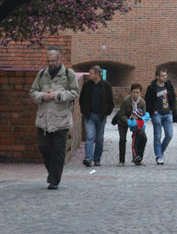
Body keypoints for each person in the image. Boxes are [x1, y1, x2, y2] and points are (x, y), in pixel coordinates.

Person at [29, 49, 79, 189]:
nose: (51, 64)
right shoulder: (42, 74)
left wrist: (57, 95)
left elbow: (74, 92)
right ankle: (53, 173)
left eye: (53, 61)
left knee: (58, 151)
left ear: (59, 60)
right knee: (44, 148)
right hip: (43, 120)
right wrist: (42, 96)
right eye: (49, 61)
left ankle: (54, 180)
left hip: (61, 120)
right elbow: (33, 91)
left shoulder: (69, 74)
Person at [78, 65, 114, 167]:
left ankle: (97, 159)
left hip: (101, 116)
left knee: (99, 139)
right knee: (89, 137)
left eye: (91, 73)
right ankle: (88, 158)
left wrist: (107, 112)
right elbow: (82, 99)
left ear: (98, 74)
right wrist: (84, 111)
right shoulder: (87, 85)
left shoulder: (106, 85)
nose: (89, 75)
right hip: (89, 116)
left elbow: (110, 101)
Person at [144, 68, 176, 165]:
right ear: (157, 76)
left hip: (168, 113)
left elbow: (173, 97)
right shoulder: (152, 88)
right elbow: (147, 100)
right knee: (157, 136)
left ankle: (160, 151)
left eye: (165, 75)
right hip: (157, 114)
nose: (164, 77)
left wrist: (172, 109)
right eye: (162, 75)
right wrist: (152, 111)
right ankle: (159, 156)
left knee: (169, 135)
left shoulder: (169, 86)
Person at [117, 83, 148, 165]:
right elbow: (121, 114)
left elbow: (144, 115)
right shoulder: (126, 101)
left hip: (136, 123)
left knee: (143, 138)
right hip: (123, 122)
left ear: (140, 93)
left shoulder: (142, 102)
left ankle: (138, 158)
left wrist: (139, 121)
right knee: (122, 139)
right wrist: (128, 121)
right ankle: (121, 161)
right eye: (134, 92)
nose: (135, 94)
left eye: (137, 92)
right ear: (131, 92)